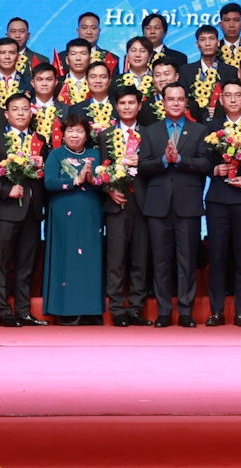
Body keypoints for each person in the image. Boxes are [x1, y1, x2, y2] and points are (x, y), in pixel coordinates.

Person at [140, 83, 211, 326]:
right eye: (171, 99)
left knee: (187, 260)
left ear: (186, 102)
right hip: (158, 204)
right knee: (160, 261)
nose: (176, 103)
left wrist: (180, 160)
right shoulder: (150, 131)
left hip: (188, 204)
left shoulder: (200, 130)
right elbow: (142, 166)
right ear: (163, 103)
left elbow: (206, 164)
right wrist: (163, 160)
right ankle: (163, 312)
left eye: (180, 99)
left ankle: (186, 312)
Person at [0, 95, 49, 327]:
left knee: (26, 265)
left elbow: (46, 175)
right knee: (1, 263)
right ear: (6, 114)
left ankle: (24, 311)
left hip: (32, 211)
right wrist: (6, 189)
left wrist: (42, 167)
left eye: (25, 109)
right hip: (6, 211)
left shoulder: (39, 140)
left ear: (31, 112)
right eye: (15, 109)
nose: (20, 113)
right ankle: (4, 312)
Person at [204, 81, 241, 326]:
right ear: (221, 99)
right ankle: (216, 311)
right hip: (218, 199)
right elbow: (202, 159)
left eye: (238, 95)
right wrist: (214, 169)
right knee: (217, 257)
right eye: (227, 95)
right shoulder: (211, 127)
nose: (233, 99)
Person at [42, 115, 106, 324]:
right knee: (66, 260)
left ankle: (91, 311)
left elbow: (105, 183)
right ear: (63, 134)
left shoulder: (95, 155)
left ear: (86, 136)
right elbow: (49, 183)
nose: (75, 135)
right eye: (70, 131)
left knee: (90, 260)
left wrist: (93, 180)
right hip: (63, 216)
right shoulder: (56, 154)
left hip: (90, 213)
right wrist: (75, 180)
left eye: (79, 131)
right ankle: (67, 311)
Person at [99, 87, 152, 325]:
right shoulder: (106, 135)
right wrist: (109, 188)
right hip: (116, 203)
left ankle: (136, 309)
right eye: (122, 103)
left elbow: (158, 168)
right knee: (116, 259)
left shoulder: (150, 134)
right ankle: (118, 309)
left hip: (143, 202)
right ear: (116, 106)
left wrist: (144, 163)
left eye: (132, 103)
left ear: (139, 106)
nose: (127, 107)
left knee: (140, 258)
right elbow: (101, 168)